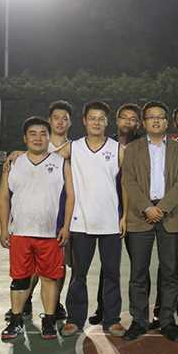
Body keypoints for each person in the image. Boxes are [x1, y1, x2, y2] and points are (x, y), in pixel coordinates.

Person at [0, 117, 75, 340]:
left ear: (49, 138)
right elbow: (3, 198)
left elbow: (71, 196)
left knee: (49, 278)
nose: (38, 138)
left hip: (50, 233)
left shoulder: (61, 163)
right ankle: (15, 320)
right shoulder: (14, 164)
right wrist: (4, 229)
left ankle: (49, 321)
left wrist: (66, 226)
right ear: (25, 138)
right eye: (33, 134)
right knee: (20, 279)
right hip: (20, 232)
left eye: (43, 134)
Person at [121, 101, 178, 343]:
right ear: (144, 122)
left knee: (170, 272)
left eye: (160, 116)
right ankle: (139, 321)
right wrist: (147, 207)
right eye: (151, 117)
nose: (156, 120)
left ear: (167, 122)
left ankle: (167, 320)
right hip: (141, 216)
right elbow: (129, 181)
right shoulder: (132, 149)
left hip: (170, 216)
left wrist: (162, 208)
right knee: (138, 273)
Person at [60, 100, 128, 338]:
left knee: (112, 274)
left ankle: (112, 320)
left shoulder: (118, 149)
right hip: (81, 222)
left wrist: (124, 216)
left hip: (110, 222)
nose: (97, 122)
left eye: (101, 119)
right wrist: (19, 154)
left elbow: (126, 184)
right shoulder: (73, 147)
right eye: (92, 118)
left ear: (107, 122)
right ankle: (74, 320)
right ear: (84, 121)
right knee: (79, 274)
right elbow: (45, 157)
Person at [89, 103, 143, 326]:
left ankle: (141, 314)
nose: (127, 122)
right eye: (124, 117)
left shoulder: (143, 145)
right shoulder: (106, 143)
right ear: (117, 120)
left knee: (139, 266)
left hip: (137, 212)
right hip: (110, 211)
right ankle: (103, 309)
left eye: (133, 119)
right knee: (108, 265)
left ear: (138, 124)